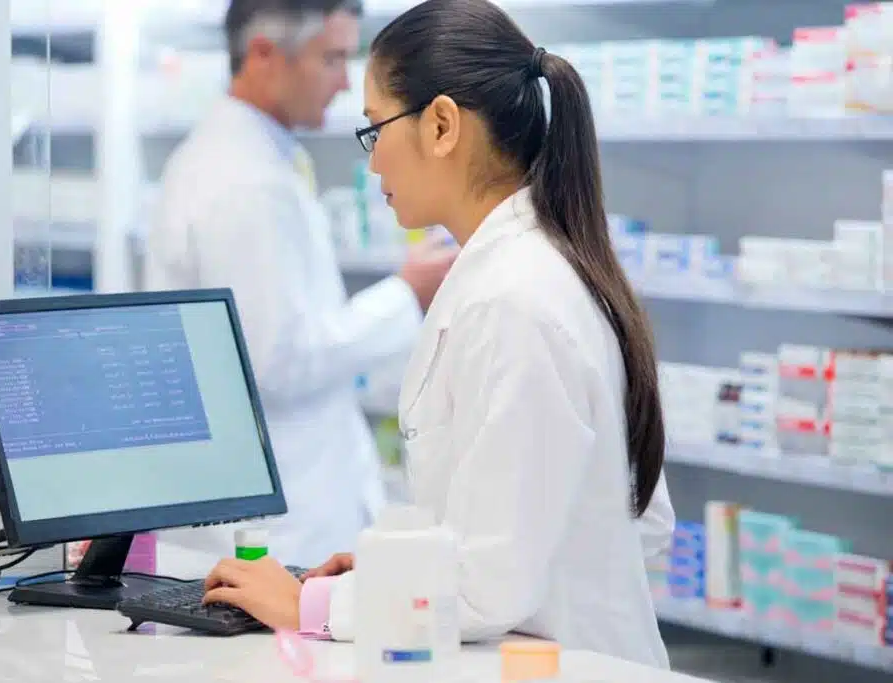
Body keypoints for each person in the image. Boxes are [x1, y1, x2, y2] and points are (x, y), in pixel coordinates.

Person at [198, 0, 676, 669]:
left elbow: (489, 584)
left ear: (443, 124)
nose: (372, 166)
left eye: (375, 131)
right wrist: (394, 571)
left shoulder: (515, 299)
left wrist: (308, 607)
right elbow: (635, 526)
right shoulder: (547, 266)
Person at [143, 0, 458, 569]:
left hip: (290, 502)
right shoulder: (243, 181)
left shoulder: (255, 157)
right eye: (332, 58)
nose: (344, 82)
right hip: (275, 525)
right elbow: (278, 359)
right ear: (264, 55)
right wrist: (405, 294)